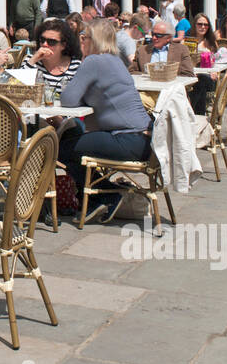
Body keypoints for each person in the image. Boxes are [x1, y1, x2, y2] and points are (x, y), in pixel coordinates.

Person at [58, 21, 155, 218]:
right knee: (72, 137)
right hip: (145, 139)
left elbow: (68, 99)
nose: (81, 41)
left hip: (128, 139)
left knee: (60, 148)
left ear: (94, 40)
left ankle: (105, 196)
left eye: (84, 37)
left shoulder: (94, 61)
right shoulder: (115, 60)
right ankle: (100, 196)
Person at [27, 18, 84, 94]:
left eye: (51, 42)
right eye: (42, 40)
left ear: (63, 45)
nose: (44, 44)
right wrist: (33, 59)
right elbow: (15, 85)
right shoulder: (30, 61)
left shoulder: (76, 66)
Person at [130, 20, 194, 78]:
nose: (154, 38)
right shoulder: (142, 51)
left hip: (172, 89)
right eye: (153, 34)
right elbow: (131, 72)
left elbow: (188, 74)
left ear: (169, 37)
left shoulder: (181, 50)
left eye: (158, 35)